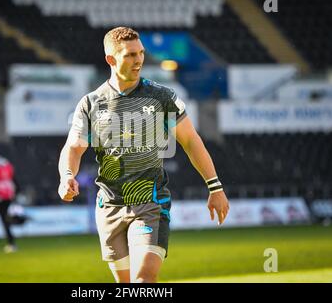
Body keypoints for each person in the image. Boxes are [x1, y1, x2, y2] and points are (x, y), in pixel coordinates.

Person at [58, 27, 230, 283]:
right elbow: (73, 147)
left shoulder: (161, 96)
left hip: (150, 202)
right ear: (111, 60)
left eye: (141, 53)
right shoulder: (91, 103)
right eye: (129, 55)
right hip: (109, 206)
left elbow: (191, 141)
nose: (139, 60)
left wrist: (215, 187)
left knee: (144, 280)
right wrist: (67, 176)